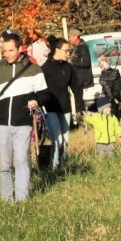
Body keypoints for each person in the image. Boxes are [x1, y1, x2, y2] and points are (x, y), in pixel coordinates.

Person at [0, 31, 47, 203]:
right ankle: (7, 200)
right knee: (4, 165)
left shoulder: (33, 69)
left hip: (23, 122)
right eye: (4, 51)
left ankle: (22, 200)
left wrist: (36, 100)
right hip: (1, 123)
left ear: (19, 49)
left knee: (21, 160)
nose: (7, 54)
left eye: (10, 51)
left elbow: (45, 94)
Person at [40, 37, 82, 168]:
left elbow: (76, 86)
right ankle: (54, 167)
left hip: (65, 108)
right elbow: (40, 89)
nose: (68, 53)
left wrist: (80, 106)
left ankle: (63, 165)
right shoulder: (45, 68)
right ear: (57, 50)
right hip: (50, 109)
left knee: (66, 139)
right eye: (66, 51)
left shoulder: (68, 67)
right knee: (57, 140)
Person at [67, 29, 94, 94]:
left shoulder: (82, 47)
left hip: (82, 81)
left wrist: (72, 63)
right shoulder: (77, 47)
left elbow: (87, 63)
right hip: (78, 80)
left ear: (75, 36)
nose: (69, 39)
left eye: (70, 37)